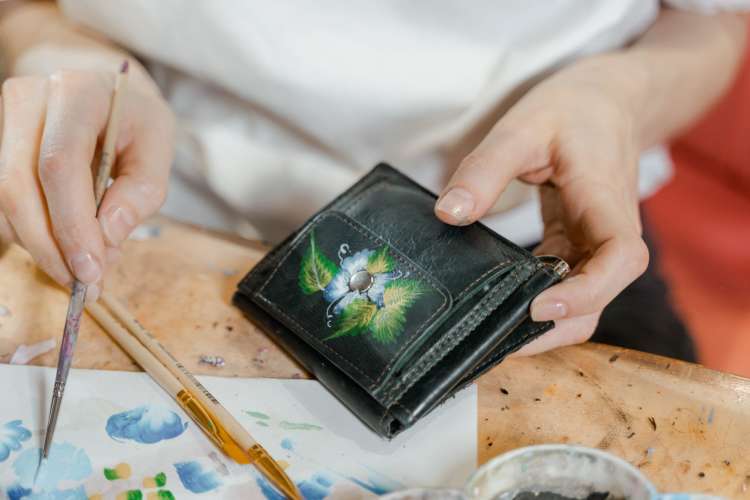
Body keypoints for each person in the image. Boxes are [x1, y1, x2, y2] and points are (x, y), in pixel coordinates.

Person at [0, 1, 747, 359]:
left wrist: (616, 98)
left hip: (525, 241)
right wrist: (49, 47)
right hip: (121, 202)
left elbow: (715, 21)